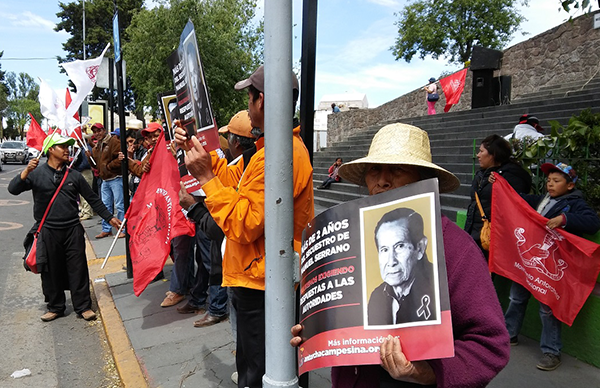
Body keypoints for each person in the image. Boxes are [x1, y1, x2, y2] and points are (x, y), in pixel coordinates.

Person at [291, 123, 510, 387]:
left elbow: (490, 345)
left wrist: (429, 372)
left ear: (422, 178)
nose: (382, 180)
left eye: (396, 169)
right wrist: (315, 332)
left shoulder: (456, 247)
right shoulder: (350, 245)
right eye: (375, 170)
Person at [175, 65, 313, 388]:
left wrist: (206, 177)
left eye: (249, 100)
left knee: (258, 373)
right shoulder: (270, 151)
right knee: (251, 366)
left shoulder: (283, 154)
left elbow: (243, 223)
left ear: (261, 101)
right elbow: (236, 183)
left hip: (265, 286)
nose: (247, 109)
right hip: (257, 279)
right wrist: (200, 155)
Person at [496, 162, 600, 371]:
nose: (550, 184)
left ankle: (551, 351)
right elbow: (518, 200)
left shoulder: (574, 204)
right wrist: (500, 184)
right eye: (548, 180)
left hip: (550, 267)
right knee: (516, 298)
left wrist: (565, 219)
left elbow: (593, 223)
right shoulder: (542, 200)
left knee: (547, 308)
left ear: (570, 186)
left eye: (556, 181)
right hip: (527, 262)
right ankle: (510, 334)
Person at [8, 133, 121, 322]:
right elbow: (13, 189)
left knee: (78, 268)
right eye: (62, 146)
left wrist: (110, 218)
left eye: (68, 147)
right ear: (50, 149)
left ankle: (83, 306)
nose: (67, 150)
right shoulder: (36, 174)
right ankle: (55, 307)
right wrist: (26, 171)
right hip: (48, 231)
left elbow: (93, 199)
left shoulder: (74, 176)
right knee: (50, 270)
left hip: (72, 230)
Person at [464, 134, 531, 256]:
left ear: (493, 154)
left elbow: (514, 205)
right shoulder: (481, 174)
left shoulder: (511, 176)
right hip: (474, 234)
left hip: (494, 238)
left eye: (481, 151)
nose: (478, 155)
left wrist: (500, 185)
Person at [368, 208, 436, 326]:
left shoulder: (437, 286)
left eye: (399, 246)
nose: (391, 261)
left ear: (420, 248)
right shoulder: (376, 297)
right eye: (384, 250)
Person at [86, 122, 125, 239]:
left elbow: (120, 158)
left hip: (115, 178)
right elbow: (96, 165)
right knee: (105, 205)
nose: (97, 134)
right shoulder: (97, 146)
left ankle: (122, 229)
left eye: (99, 131)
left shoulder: (113, 141)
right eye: (95, 132)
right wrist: (89, 156)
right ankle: (107, 229)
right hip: (106, 179)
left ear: (104, 130)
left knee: (119, 205)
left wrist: (109, 166)